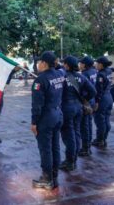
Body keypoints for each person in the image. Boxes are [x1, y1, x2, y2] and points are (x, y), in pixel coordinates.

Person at [31, 51, 65, 190]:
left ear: (44, 63)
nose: (37, 64)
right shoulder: (59, 75)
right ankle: (54, 174)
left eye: (39, 62)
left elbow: (37, 105)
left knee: (45, 149)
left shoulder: (40, 80)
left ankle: (46, 178)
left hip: (46, 118)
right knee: (55, 146)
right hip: (57, 114)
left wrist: (34, 122)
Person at [59, 56, 96, 171]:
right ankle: (73, 160)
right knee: (76, 133)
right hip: (78, 108)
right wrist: (84, 99)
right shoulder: (81, 77)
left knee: (68, 135)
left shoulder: (63, 77)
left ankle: (70, 162)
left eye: (64, 64)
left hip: (67, 108)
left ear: (67, 65)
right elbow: (93, 91)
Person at [92, 56, 113, 148]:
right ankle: (104, 138)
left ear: (100, 64)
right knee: (106, 119)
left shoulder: (100, 74)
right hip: (109, 97)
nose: (95, 65)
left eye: (96, 63)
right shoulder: (109, 71)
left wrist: (97, 102)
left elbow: (99, 90)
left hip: (103, 99)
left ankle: (100, 140)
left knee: (100, 120)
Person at [78, 56, 97, 157]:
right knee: (89, 124)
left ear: (84, 65)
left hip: (86, 102)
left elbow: (83, 90)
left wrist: (84, 100)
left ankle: (85, 148)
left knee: (84, 126)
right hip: (92, 100)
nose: (79, 65)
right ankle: (88, 145)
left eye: (80, 63)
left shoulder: (84, 74)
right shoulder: (94, 72)